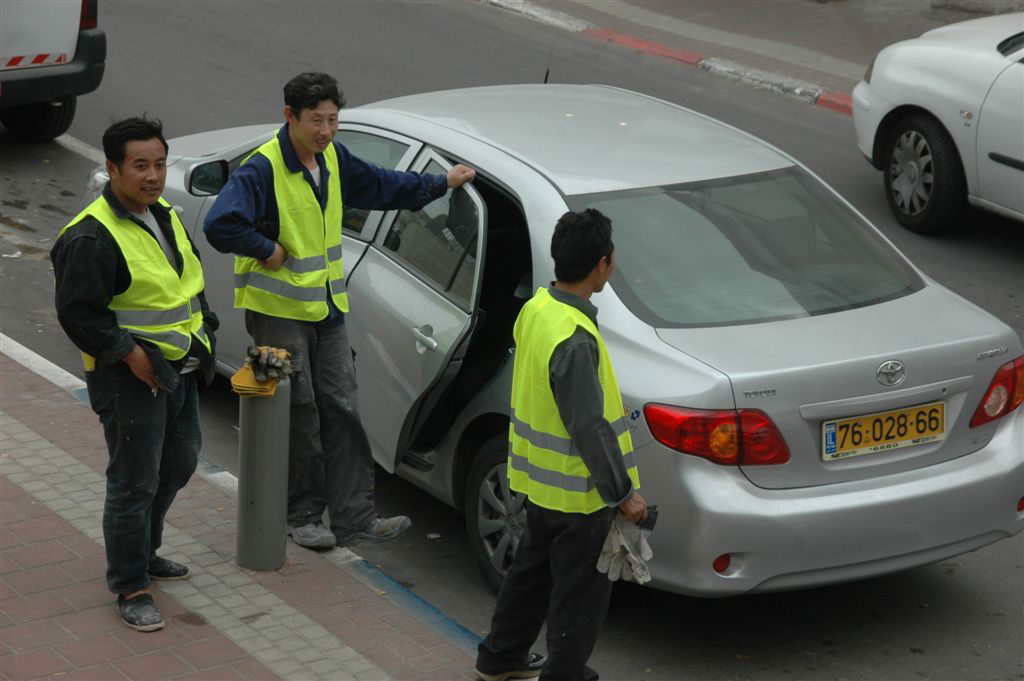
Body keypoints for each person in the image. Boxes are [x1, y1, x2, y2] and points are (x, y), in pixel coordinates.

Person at [203, 72, 476, 549]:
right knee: (299, 412)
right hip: (278, 314)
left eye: (333, 120)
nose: (326, 131)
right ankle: (302, 514)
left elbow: (380, 186)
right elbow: (220, 223)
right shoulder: (262, 168)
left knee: (343, 408)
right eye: (316, 121)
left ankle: (355, 518)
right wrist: (266, 248)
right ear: (289, 116)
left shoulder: (331, 157)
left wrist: (442, 184)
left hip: (326, 310)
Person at [51, 117, 219, 632]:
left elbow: (183, 280)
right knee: (133, 483)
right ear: (112, 168)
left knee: (179, 464)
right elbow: (80, 314)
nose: (153, 175)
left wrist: (205, 327)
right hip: (131, 378)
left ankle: (145, 550)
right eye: (140, 165)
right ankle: (130, 585)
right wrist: (130, 354)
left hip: (179, 367)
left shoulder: (163, 212)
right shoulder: (89, 238)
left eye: (160, 164)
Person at [475, 209, 647, 681]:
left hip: (538, 484)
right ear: (602, 265)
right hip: (580, 495)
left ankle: (501, 657)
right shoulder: (575, 338)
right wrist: (623, 493)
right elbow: (589, 425)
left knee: (529, 576)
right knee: (580, 596)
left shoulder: (537, 309)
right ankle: (564, 675)